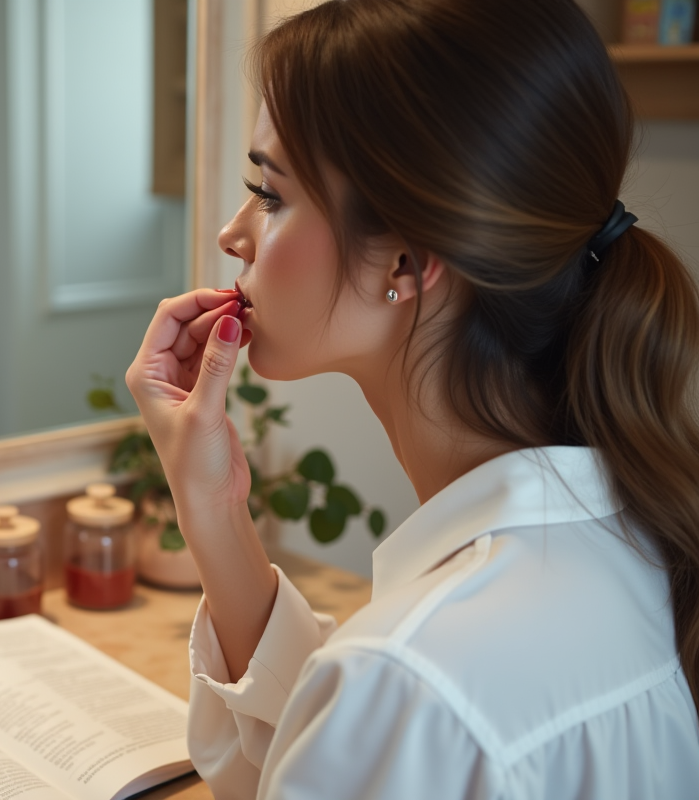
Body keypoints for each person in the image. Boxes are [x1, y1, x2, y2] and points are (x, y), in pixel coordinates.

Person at [125, 0, 699, 796]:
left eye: (269, 194)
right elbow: (343, 746)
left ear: (403, 261)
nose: (232, 233)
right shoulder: (626, 540)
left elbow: (383, 717)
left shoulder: (410, 683)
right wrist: (211, 508)